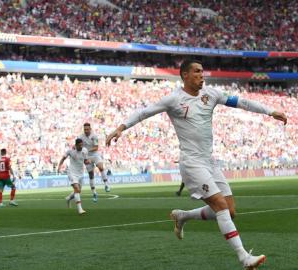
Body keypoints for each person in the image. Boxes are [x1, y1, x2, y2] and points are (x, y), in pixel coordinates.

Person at [106, 59, 287, 269]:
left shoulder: (211, 94)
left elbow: (242, 102)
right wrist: (121, 127)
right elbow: (144, 112)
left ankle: (183, 216)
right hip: (191, 163)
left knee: (230, 210)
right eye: (197, 72)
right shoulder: (173, 99)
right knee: (220, 205)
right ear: (185, 75)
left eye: (202, 71)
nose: (202, 75)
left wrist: (269, 111)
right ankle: (244, 257)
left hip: (209, 161)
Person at [58, 138, 92, 215]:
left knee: (78, 191)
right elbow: (63, 158)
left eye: (82, 145)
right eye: (79, 145)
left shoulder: (85, 151)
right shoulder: (70, 151)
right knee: (76, 189)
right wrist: (59, 166)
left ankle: (68, 198)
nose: (81, 146)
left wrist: (88, 161)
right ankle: (80, 209)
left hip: (80, 173)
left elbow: (85, 161)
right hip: (72, 172)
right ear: (76, 145)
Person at [78, 123, 111, 203]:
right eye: (85, 129)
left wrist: (86, 150)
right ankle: (94, 193)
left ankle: (106, 184)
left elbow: (96, 147)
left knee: (101, 167)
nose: (86, 131)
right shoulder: (80, 137)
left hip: (95, 155)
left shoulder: (94, 136)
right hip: (87, 157)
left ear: (90, 129)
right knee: (91, 175)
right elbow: (78, 147)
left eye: (87, 129)